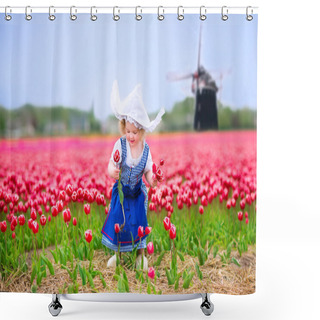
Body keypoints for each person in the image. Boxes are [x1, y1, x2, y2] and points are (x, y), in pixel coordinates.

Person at [101, 80, 165, 271]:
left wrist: (153, 179)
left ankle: (140, 256)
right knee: (119, 223)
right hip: (121, 192)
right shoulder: (119, 145)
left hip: (137, 192)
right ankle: (117, 255)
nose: (130, 136)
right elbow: (111, 164)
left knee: (139, 222)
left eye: (134, 132)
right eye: (128, 131)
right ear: (123, 128)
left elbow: (148, 171)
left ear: (142, 131)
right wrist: (112, 170)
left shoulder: (146, 150)